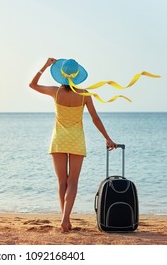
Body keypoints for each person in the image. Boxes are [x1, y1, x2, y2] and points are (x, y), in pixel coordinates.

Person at [29, 57, 117, 232]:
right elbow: (95, 118)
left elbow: (33, 85)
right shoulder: (85, 94)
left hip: (59, 139)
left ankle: (65, 220)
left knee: (62, 182)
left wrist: (45, 66)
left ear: (60, 75)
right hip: (76, 140)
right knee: (73, 182)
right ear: (77, 76)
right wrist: (107, 138)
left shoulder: (55, 92)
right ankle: (65, 219)